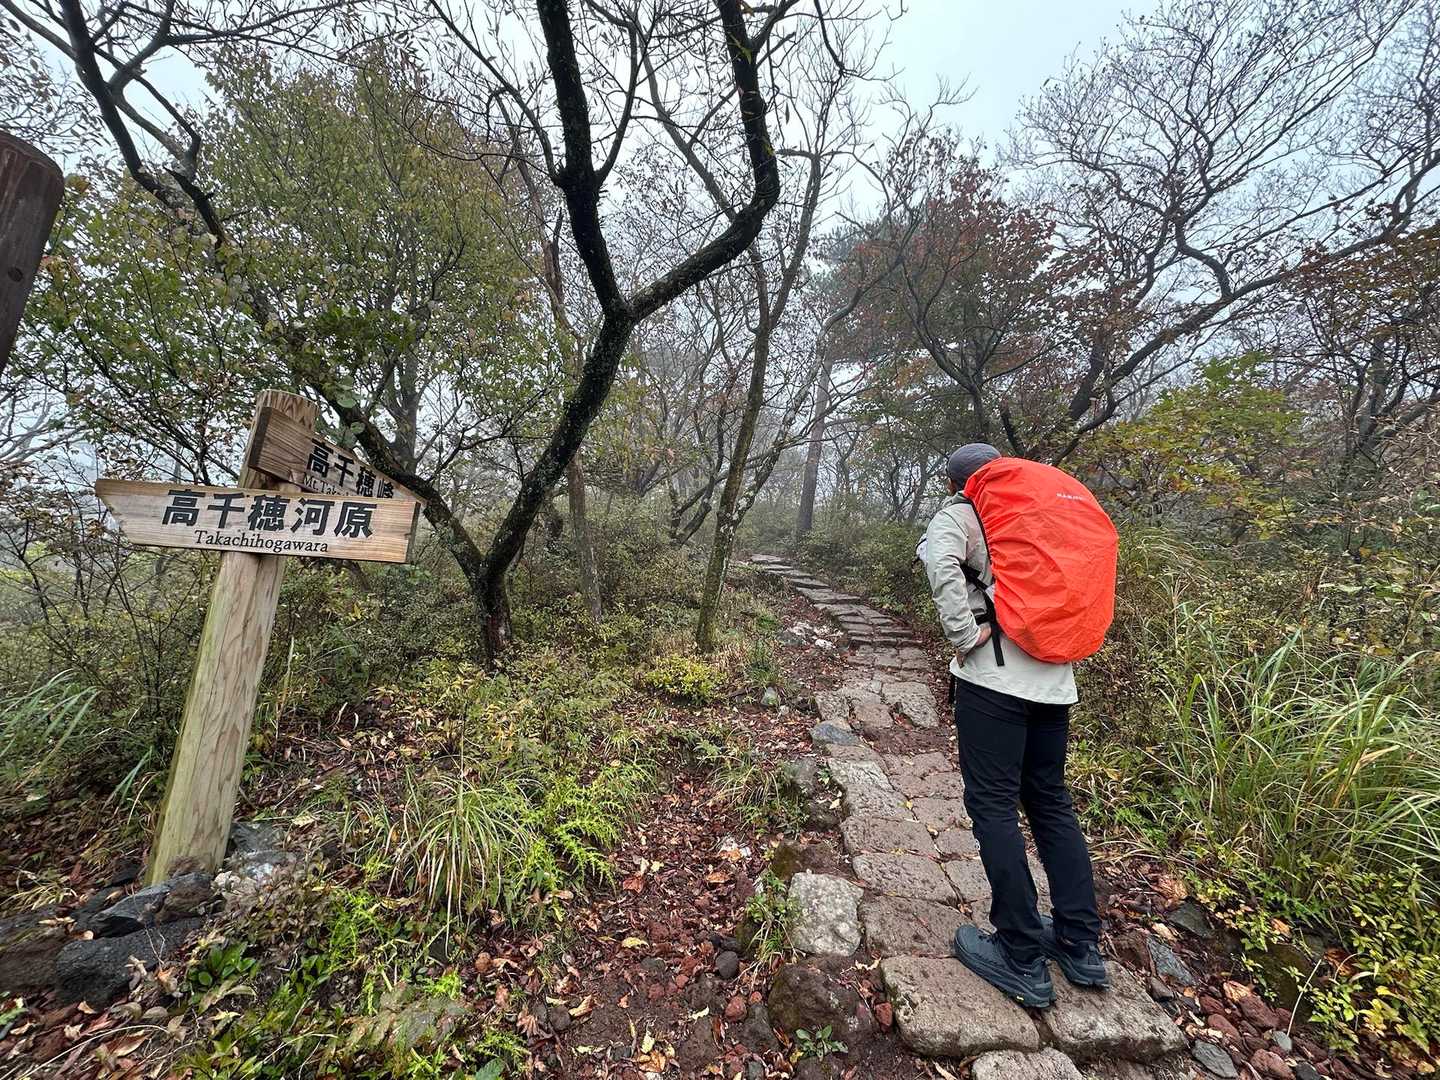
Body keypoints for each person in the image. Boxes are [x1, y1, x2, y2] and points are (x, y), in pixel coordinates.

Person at [921, 442, 1107, 1008]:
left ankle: (1020, 951)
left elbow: (939, 563)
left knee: (994, 805)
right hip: (1056, 680)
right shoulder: (1043, 516)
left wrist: (963, 635)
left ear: (956, 483)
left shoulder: (964, 514)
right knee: (1050, 802)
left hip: (994, 681)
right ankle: (1079, 942)